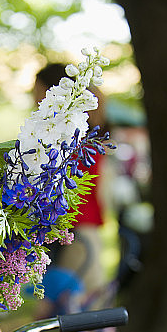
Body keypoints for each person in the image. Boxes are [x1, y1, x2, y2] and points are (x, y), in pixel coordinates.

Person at [33, 63, 110, 297]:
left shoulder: (72, 137)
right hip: (75, 231)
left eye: (37, 91)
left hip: (78, 232)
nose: (34, 99)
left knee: (75, 305)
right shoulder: (78, 133)